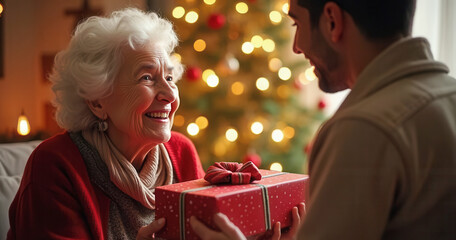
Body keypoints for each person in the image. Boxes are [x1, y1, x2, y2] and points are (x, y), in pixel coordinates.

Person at [191, 0, 456, 239]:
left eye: (297, 23)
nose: (296, 46)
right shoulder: (448, 95)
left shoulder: (363, 130)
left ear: (332, 20)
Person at [7, 8, 205, 240]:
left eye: (170, 78)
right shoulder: (55, 164)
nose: (170, 95)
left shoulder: (181, 153)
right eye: (147, 78)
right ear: (97, 101)